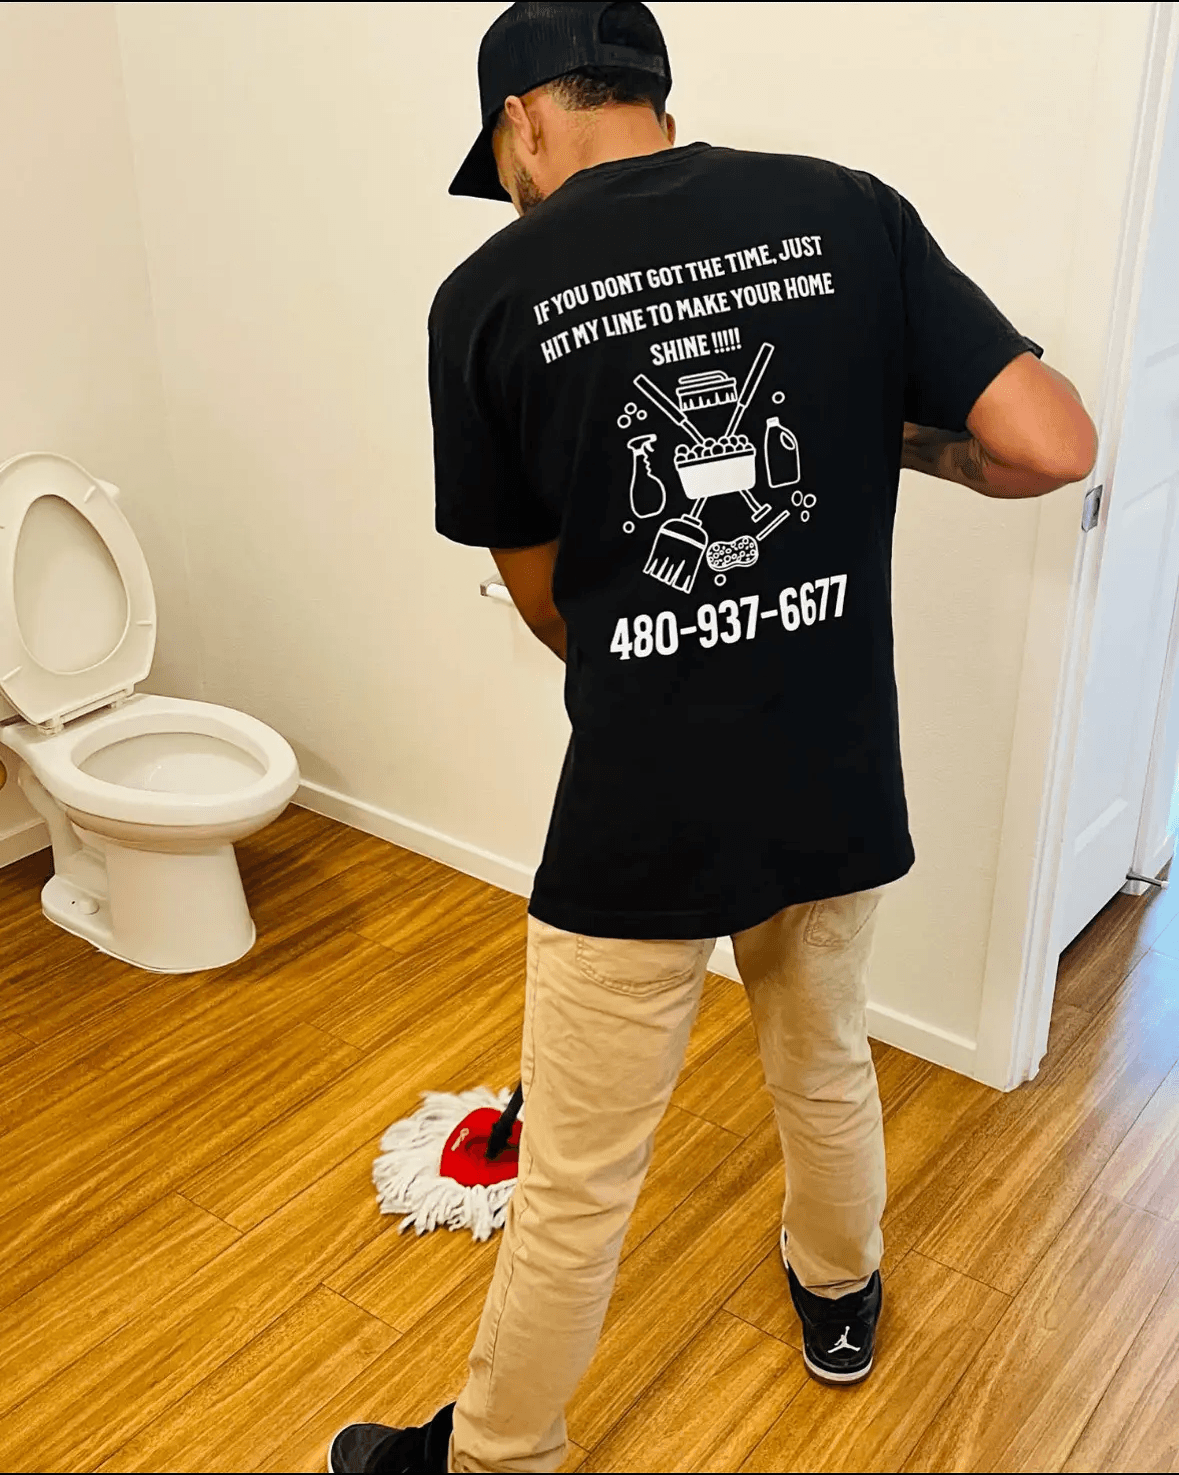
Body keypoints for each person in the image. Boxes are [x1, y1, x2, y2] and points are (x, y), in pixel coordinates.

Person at [330, 3, 1098, 1471]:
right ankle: (838, 1292)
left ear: (521, 123)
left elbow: (554, 605)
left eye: (501, 163)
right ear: (648, 98)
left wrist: (668, 603)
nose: (510, 188)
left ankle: (494, 1456)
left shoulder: (487, 297)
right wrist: (876, 429)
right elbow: (1048, 442)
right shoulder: (843, 213)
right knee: (822, 1061)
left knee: (574, 1173)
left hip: (645, 803)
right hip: (832, 771)